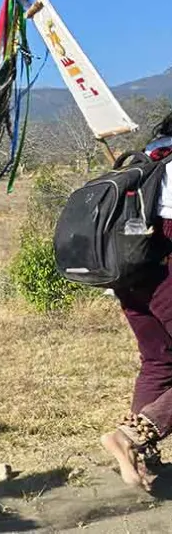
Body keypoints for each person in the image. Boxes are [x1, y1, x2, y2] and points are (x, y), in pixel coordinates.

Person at [103, 112, 172, 491]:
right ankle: (130, 438)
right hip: (165, 278)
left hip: (128, 280)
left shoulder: (147, 159)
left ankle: (140, 461)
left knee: (158, 363)